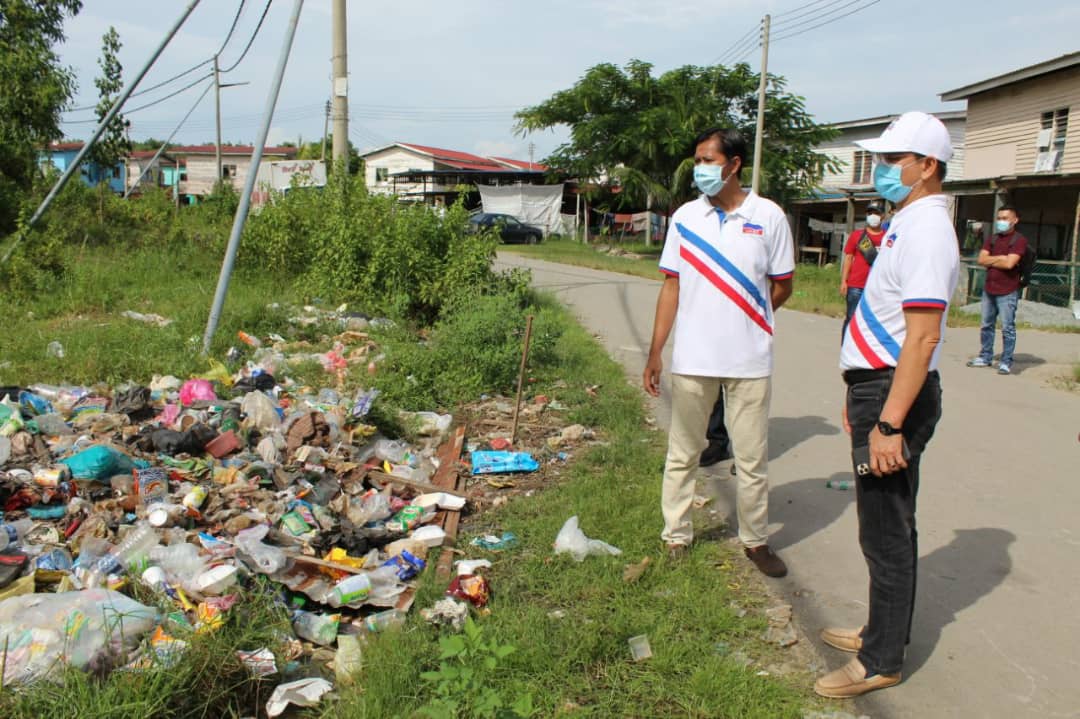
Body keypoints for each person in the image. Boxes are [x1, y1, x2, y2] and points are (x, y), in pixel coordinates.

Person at [815, 111, 959, 699]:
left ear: (927, 167)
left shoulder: (926, 229)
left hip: (892, 393)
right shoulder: (908, 220)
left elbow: (922, 337)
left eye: (893, 160)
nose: (882, 170)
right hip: (875, 386)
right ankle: (880, 629)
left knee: (886, 529)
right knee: (880, 521)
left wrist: (888, 423)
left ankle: (881, 659)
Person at [643, 127, 794, 578]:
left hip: (750, 362)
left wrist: (751, 315)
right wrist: (656, 352)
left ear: (734, 165)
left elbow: (783, 283)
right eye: (698, 160)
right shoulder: (686, 218)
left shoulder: (767, 216)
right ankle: (676, 535)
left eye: (708, 160)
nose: (700, 168)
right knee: (683, 452)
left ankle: (755, 540)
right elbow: (671, 285)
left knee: (751, 459)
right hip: (693, 360)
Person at [966, 205, 1028, 375]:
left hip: (1008, 290)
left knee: (1007, 327)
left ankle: (1006, 361)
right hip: (989, 289)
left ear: (1015, 220)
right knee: (986, 325)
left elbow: (1010, 264)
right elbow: (981, 259)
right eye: (999, 218)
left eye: (1005, 218)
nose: (1001, 221)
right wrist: (1000, 258)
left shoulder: (1019, 240)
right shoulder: (992, 239)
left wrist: (993, 260)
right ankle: (985, 356)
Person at [839, 201, 887, 340]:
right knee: (851, 317)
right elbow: (848, 258)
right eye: (870, 213)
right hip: (856, 286)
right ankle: (846, 345)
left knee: (873, 321)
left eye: (876, 213)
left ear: (882, 216)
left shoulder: (887, 238)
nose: (873, 216)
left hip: (878, 287)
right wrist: (844, 281)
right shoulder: (857, 236)